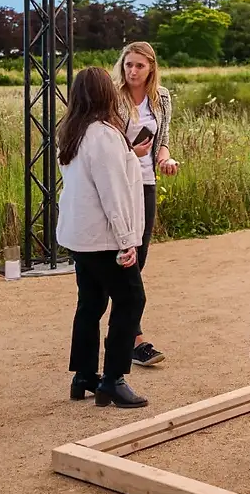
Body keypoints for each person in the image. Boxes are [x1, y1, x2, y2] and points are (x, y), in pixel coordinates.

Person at [55, 67, 148, 409]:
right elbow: (114, 193)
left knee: (90, 304)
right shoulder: (104, 135)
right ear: (106, 93)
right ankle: (113, 379)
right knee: (130, 301)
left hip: (80, 237)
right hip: (105, 238)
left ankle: (83, 376)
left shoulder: (72, 132)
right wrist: (127, 240)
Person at [112, 42, 178, 368]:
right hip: (120, 183)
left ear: (151, 67)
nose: (133, 72)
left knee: (141, 255)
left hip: (146, 182)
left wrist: (164, 159)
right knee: (127, 260)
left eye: (139, 66)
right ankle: (133, 339)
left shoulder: (162, 98)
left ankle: (121, 329)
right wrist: (130, 152)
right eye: (128, 65)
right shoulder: (113, 96)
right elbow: (105, 143)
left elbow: (162, 140)